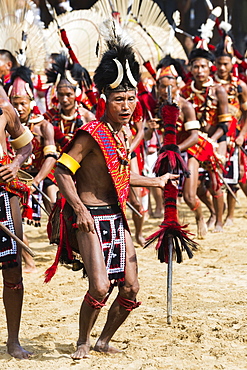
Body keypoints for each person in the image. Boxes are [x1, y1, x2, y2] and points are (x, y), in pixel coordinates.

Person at [47, 32, 178, 359]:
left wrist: (157, 181)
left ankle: (104, 340)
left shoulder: (123, 134)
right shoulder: (91, 134)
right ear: (105, 98)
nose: (127, 105)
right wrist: (78, 209)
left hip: (116, 217)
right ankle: (83, 341)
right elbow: (62, 171)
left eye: (131, 98)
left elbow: (121, 176)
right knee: (100, 287)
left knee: (131, 289)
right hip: (89, 217)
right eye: (119, 99)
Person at [181, 47, 230, 233]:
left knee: (215, 182)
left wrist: (212, 140)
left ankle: (219, 221)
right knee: (197, 186)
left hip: (217, 139)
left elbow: (224, 124)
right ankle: (210, 212)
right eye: (196, 67)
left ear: (210, 68)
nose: (200, 71)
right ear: (191, 69)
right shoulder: (185, 92)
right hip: (196, 141)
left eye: (203, 66)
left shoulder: (219, 91)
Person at [0, 80, 33, 358]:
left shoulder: (6, 111)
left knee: (12, 269)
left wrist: (15, 164)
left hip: (3, 195)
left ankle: (13, 340)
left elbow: (26, 146)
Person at [214, 35, 247, 226]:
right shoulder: (210, 86)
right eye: (219, 63)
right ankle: (218, 211)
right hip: (217, 135)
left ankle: (231, 215)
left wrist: (243, 134)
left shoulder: (240, 86)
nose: (222, 68)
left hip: (235, 136)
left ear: (231, 63)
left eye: (225, 64)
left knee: (235, 176)